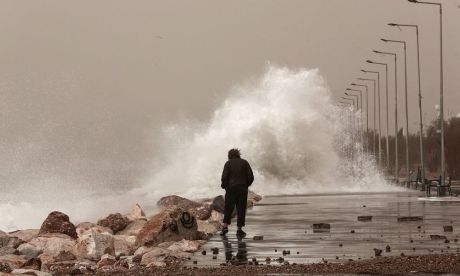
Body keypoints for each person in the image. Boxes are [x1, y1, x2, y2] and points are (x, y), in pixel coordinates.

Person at [220, 148, 254, 237]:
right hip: (242, 188)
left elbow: (224, 177)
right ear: (238, 154)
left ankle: (225, 227)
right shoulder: (244, 162)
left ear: (229, 155)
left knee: (228, 208)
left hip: (231, 189)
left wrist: (224, 186)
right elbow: (251, 177)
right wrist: (246, 185)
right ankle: (239, 229)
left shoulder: (228, 163)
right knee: (241, 209)